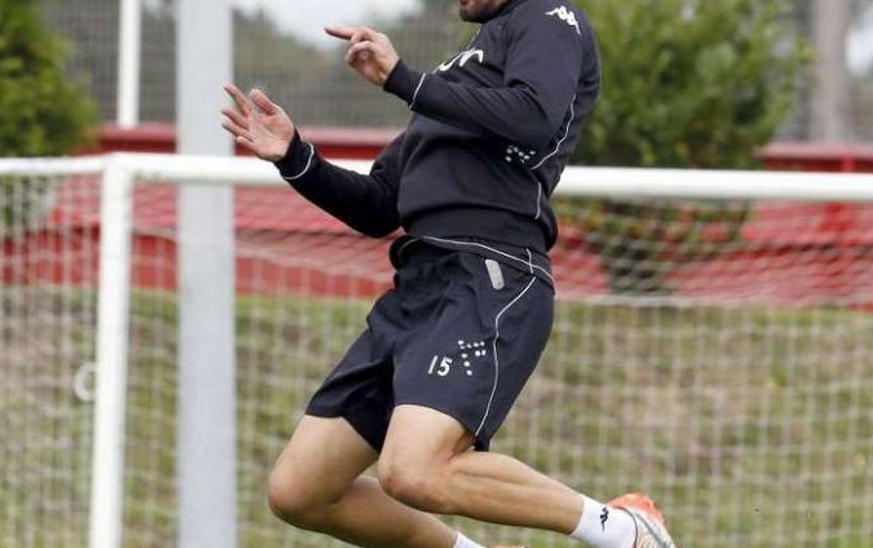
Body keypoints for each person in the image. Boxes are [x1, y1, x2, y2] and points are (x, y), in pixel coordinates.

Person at [220, 1, 676, 546]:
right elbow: (379, 205)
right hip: (417, 287)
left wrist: (403, 79)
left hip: (490, 273)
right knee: (300, 490)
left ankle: (622, 531)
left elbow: (533, 116)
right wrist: (295, 157)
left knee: (413, 470)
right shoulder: (454, 75)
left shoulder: (550, 17)